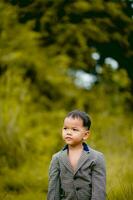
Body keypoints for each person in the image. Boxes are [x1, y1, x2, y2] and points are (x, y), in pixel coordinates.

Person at [47, 110, 106, 200]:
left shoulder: (96, 158)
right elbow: (53, 189)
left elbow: (99, 191)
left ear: (85, 135)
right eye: (65, 128)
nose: (68, 132)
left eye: (74, 129)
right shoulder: (57, 158)